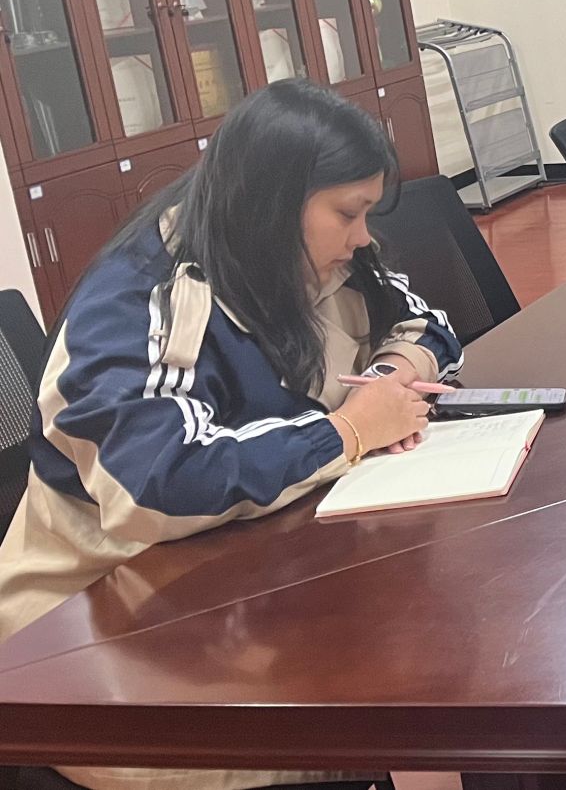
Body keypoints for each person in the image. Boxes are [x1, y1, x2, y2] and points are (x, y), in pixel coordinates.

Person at [0, 79, 463, 790]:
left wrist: (390, 376)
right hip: (89, 630)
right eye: (348, 213)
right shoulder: (143, 299)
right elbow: (159, 482)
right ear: (274, 201)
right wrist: (346, 430)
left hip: (244, 574)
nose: (363, 236)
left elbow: (426, 323)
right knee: (384, 712)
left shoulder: (299, 253)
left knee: (422, 665)